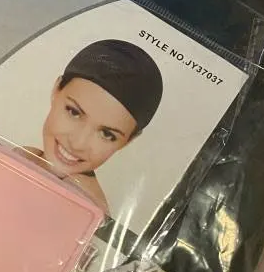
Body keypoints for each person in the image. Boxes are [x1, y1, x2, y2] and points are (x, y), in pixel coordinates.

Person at [25, 39, 163, 213]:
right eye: (74, 112)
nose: (78, 143)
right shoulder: (25, 154)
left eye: (107, 134)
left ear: (128, 140)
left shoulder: (87, 206)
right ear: (56, 89)